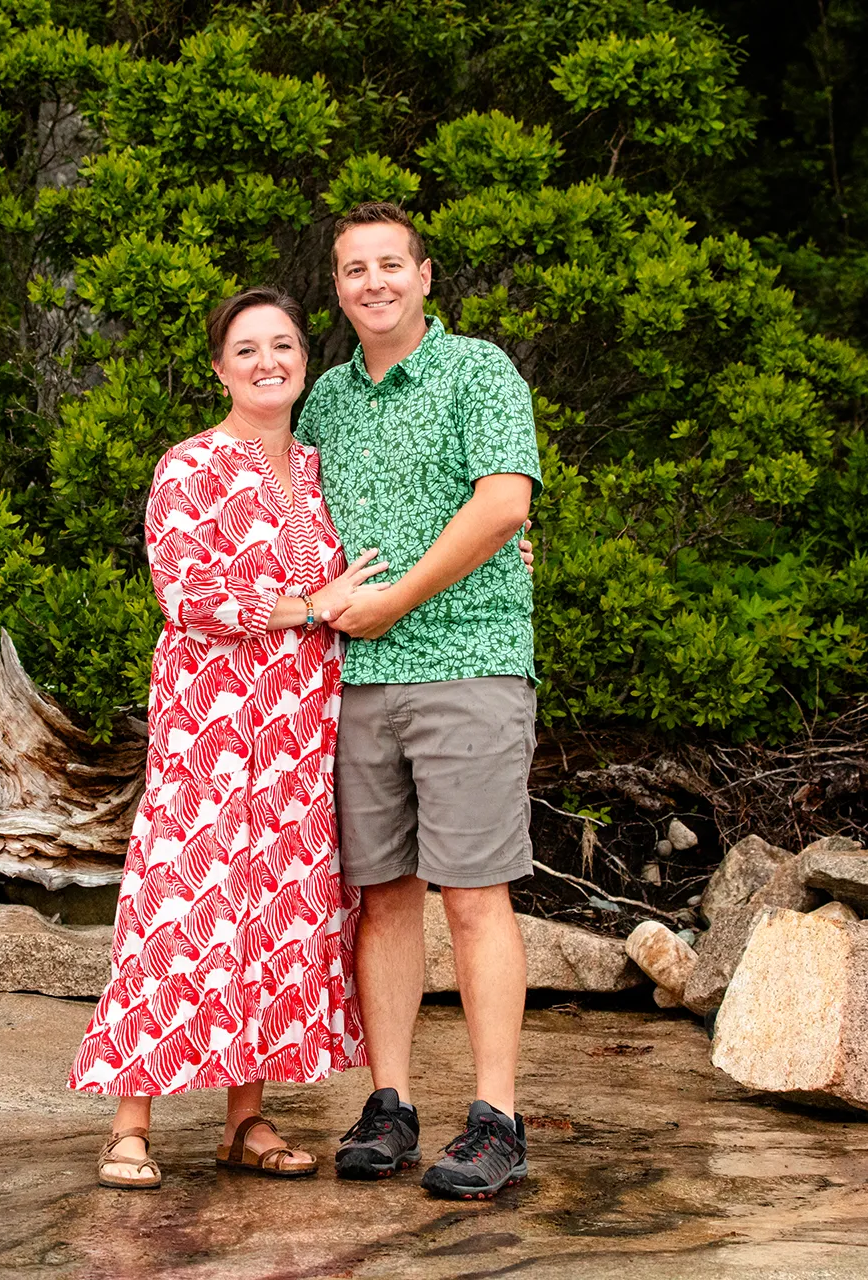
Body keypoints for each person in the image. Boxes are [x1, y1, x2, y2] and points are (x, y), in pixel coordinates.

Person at [69, 286, 384, 1190]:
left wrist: (503, 546)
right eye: (245, 350)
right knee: (180, 912)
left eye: (282, 346)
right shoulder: (190, 465)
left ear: (303, 360)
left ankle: (245, 1124)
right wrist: (309, 605)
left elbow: (389, 550)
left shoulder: (324, 470)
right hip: (210, 734)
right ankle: (130, 1124)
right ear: (219, 368)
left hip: (298, 735)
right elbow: (186, 596)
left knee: (272, 918)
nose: (267, 362)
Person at [298, 201, 542, 1200]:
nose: (373, 282)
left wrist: (399, 596)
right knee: (383, 896)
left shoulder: (481, 371)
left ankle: (497, 1119)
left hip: (469, 662)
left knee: (477, 894)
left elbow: (503, 502)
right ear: (340, 286)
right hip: (354, 681)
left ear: (425, 274)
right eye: (355, 269)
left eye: (390, 264)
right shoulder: (324, 400)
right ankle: (389, 1103)